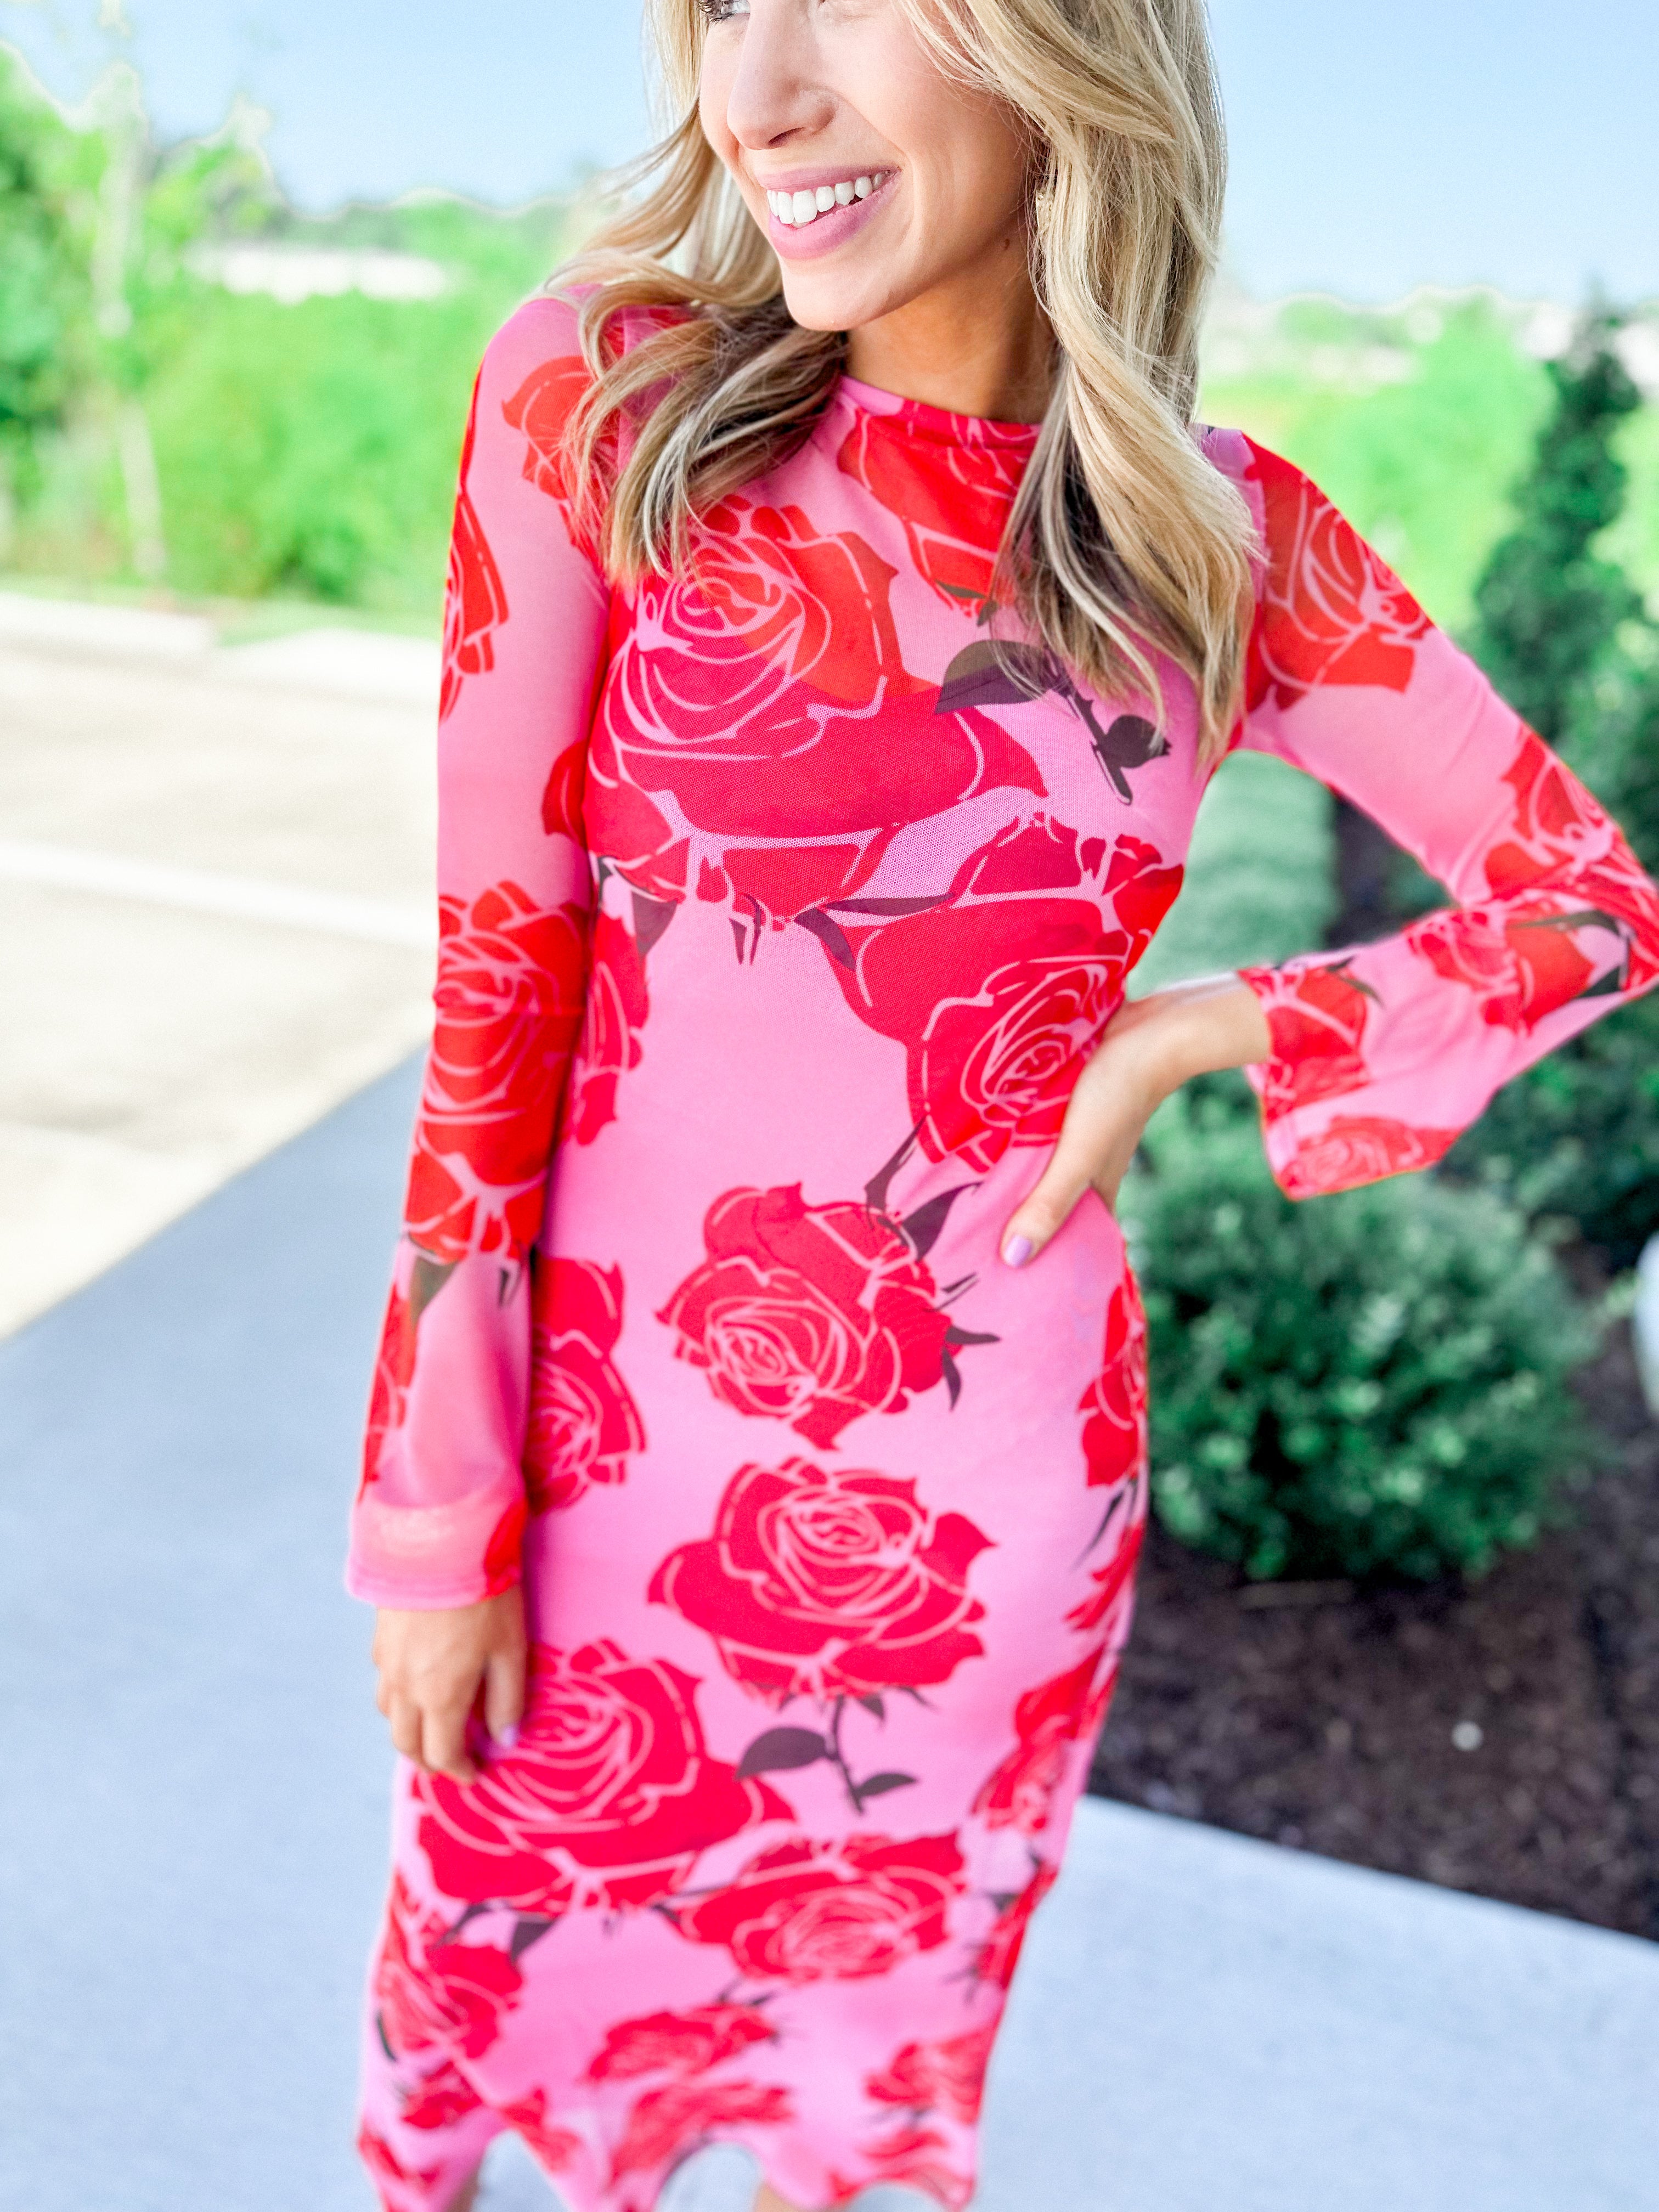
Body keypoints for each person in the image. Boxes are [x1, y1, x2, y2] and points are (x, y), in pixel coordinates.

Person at [348, 2, 1659, 2208]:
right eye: (722, 12)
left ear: (1064, 52)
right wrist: (435, 1502)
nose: (757, 95)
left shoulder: (1226, 541)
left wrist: (1192, 1029)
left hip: (974, 1522)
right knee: (469, 2019)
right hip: (596, 1485)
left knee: (862, 2079)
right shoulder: (598, 397)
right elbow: (503, 970)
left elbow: (1589, 904)